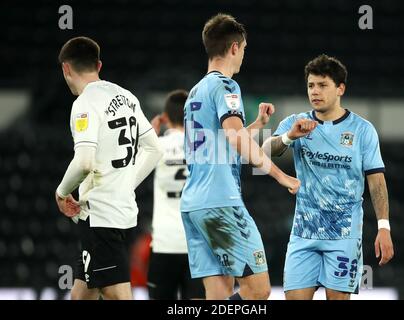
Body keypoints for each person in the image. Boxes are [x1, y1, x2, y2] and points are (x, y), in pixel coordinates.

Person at [180, 14, 301, 300]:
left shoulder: (194, 93)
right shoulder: (226, 86)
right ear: (234, 47)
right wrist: (281, 176)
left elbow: (218, 141)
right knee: (257, 290)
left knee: (219, 293)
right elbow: (234, 139)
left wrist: (257, 126)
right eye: (244, 49)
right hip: (221, 202)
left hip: (194, 205)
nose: (244, 55)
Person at [262, 54, 394, 300]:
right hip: (304, 233)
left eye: (322, 85)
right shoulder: (296, 123)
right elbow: (263, 153)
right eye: (311, 85)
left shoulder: (362, 130)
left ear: (340, 88)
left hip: (344, 236)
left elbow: (376, 181)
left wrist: (383, 227)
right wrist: (289, 136)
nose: (315, 91)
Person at [55, 36, 163, 300]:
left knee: (118, 294)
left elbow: (84, 162)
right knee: (83, 293)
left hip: (99, 215)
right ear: (99, 65)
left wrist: (61, 192)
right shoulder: (126, 96)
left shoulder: (84, 104)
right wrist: (125, 183)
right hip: (119, 212)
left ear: (65, 68)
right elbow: (154, 149)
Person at [147, 89, 205, 299]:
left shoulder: (157, 146)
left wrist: (150, 137)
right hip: (197, 244)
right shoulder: (204, 147)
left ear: (165, 117)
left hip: (164, 242)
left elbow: (130, 169)